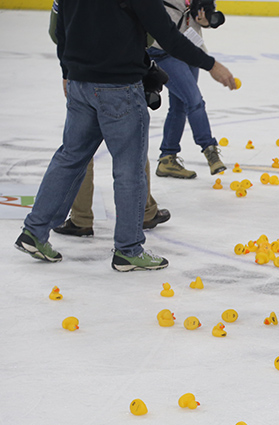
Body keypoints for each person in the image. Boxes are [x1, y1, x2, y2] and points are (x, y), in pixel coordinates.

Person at [14, 0, 235, 271]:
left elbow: (59, 29)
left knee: (70, 157)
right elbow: (167, 36)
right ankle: (128, 249)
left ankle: (34, 231)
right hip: (118, 87)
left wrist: (67, 71)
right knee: (129, 168)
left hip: (80, 83)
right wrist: (210, 64)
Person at [45, 2, 170, 237]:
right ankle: (143, 211)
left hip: (80, 75)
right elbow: (153, 35)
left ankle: (81, 218)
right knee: (131, 146)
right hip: (121, 76)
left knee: (79, 148)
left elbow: (56, 32)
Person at [149, 0, 227, 180]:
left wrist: (207, 20)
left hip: (190, 49)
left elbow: (206, 8)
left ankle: (167, 158)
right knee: (194, 100)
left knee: (180, 105)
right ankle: (209, 149)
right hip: (163, 51)